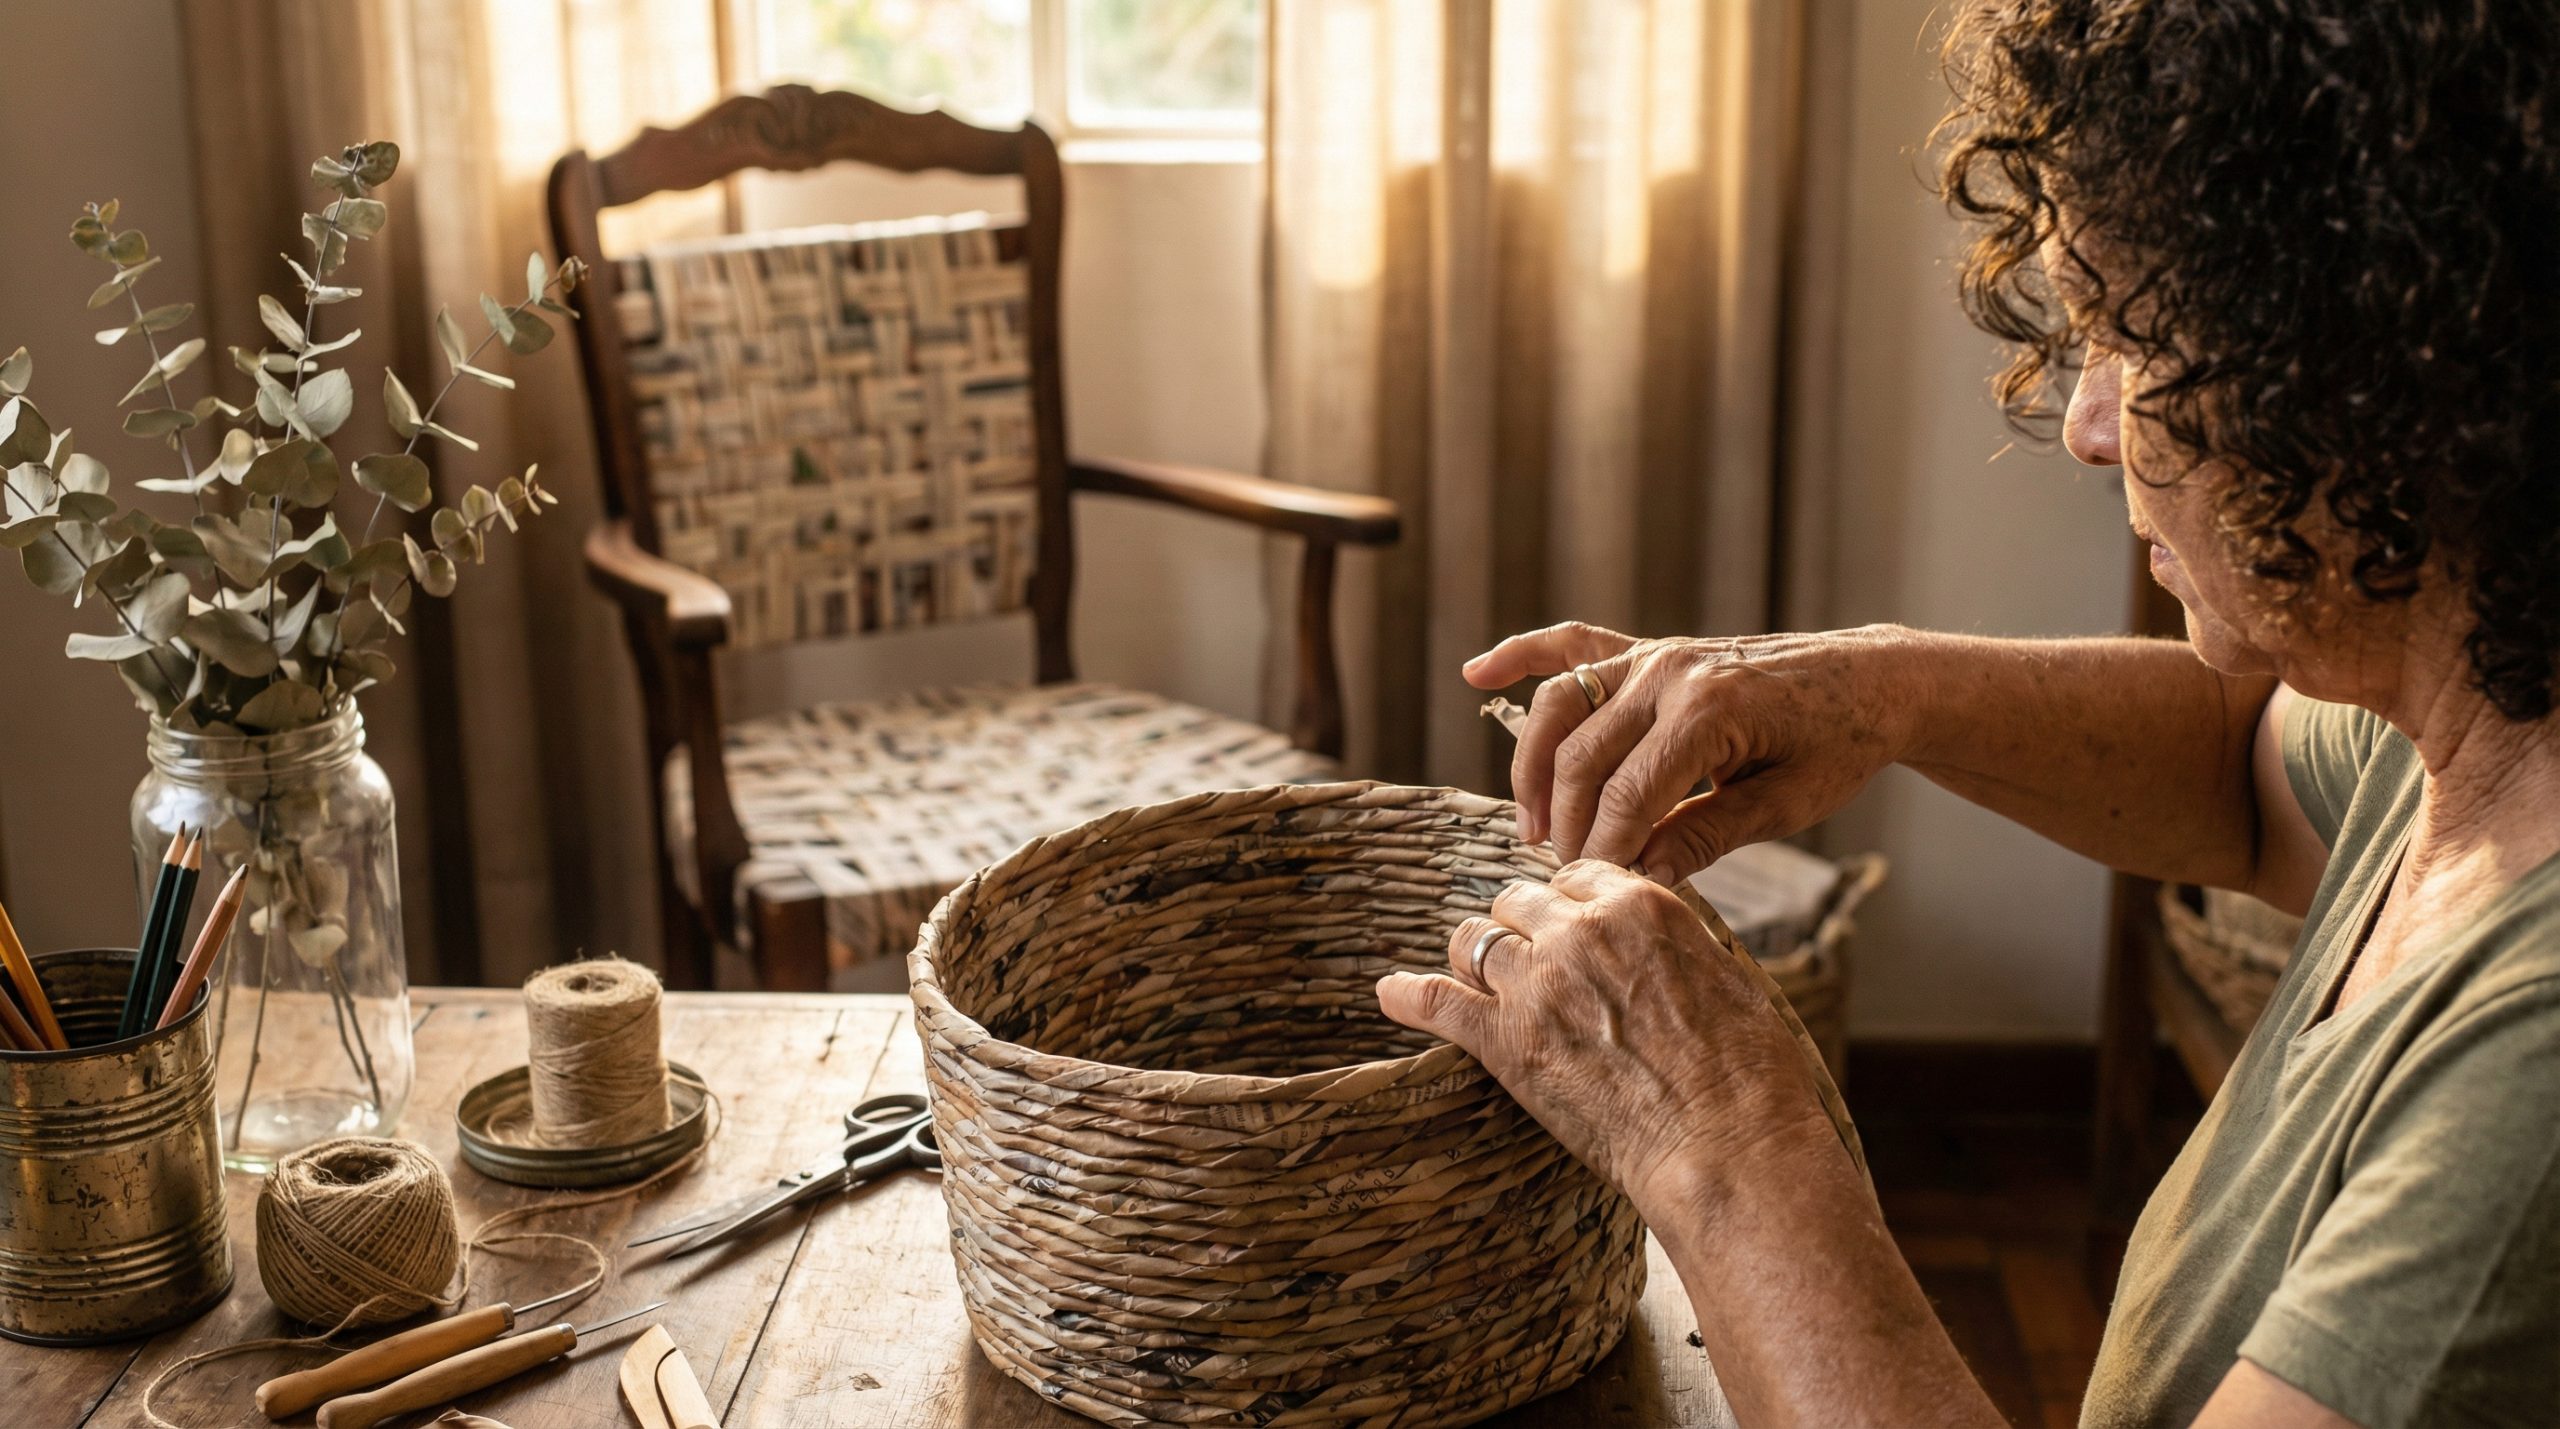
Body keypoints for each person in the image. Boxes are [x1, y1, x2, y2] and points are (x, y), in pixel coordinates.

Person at [1375, 2, 2560, 1425]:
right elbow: (2243, 777)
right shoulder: (2485, 684)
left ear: (2382, 371)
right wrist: (1868, 686)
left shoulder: (2530, 1095)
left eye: (2138, 340)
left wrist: (1724, 1133)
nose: (2089, 422)